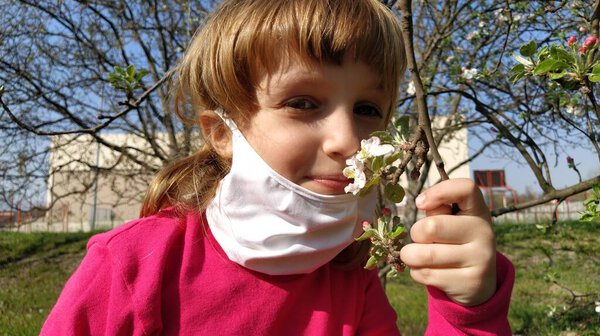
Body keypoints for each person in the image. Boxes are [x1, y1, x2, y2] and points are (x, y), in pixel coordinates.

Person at [41, 0, 514, 335]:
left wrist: (467, 312)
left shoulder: (350, 275)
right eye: (303, 102)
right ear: (222, 133)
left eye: (368, 110)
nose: (347, 140)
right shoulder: (135, 267)